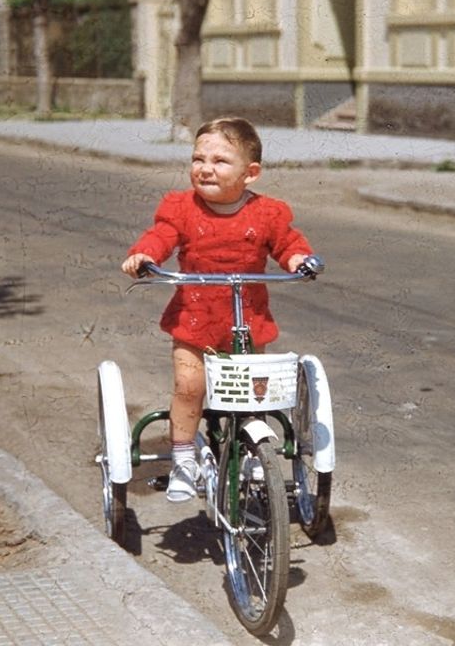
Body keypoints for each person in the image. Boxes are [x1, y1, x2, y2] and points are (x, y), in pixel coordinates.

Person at [120, 117, 314, 503]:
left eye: (221, 161)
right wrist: (145, 255)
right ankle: (182, 460)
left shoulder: (268, 214)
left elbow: (288, 243)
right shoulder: (181, 208)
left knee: (251, 394)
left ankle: (253, 453)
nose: (205, 168)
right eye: (198, 158)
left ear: (250, 173)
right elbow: (162, 236)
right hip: (194, 319)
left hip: (247, 321)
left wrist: (299, 260)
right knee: (190, 386)